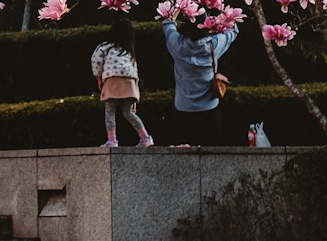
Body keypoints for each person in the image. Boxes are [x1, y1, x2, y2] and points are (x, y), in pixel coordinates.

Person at [162, 17, 238, 146]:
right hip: (209, 108)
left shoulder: (177, 45)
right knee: (212, 154)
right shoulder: (214, 45)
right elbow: (233, 29)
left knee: (183, 155)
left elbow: (168, 23)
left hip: (183, 108)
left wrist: (181, 7)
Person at [91, 15, 153, 149]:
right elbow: (135, 73)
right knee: (128, 112)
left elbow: (96, 61)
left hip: (112, 81)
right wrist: (136, 94)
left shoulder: (105, 47)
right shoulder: (129, 51)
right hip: (130, 84)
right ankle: (145, 137)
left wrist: (99, 77)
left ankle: (112, 140)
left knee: (110, 112)